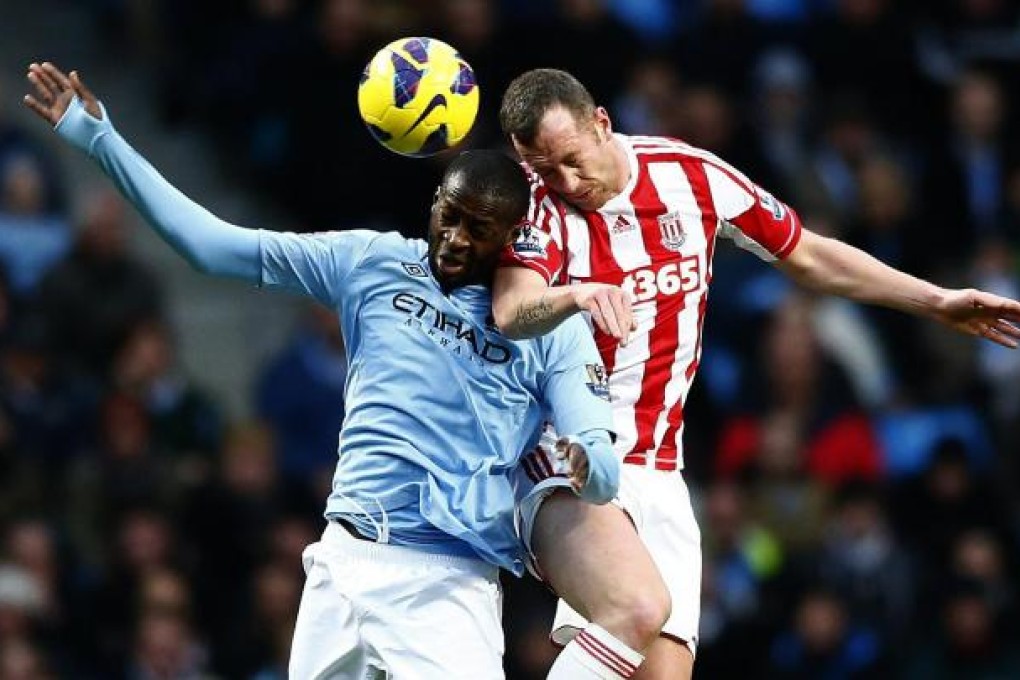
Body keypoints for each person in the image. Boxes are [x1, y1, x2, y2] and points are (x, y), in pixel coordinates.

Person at [22, 61, 633, 679]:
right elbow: (209, 245)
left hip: (447, 584)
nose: (452, 240)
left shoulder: (554, 327)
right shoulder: (371, 262)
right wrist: (100, 139)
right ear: (434, 201)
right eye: (448, 215)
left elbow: (603, 467)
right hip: (344, 563)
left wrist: (587, 462)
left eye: (479, 230)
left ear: (512, 237)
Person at [492, 68, 1020, 679]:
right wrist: (574, 296)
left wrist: (934, 301)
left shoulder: (691, 177)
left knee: (662, 672)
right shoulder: (537, 210)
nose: (563, 181)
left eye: (570, 160)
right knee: (632, 608)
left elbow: (810, 254)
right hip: (566, 451)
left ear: (602, 123)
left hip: (658, 467)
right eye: (541, 167)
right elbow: (513, 308)